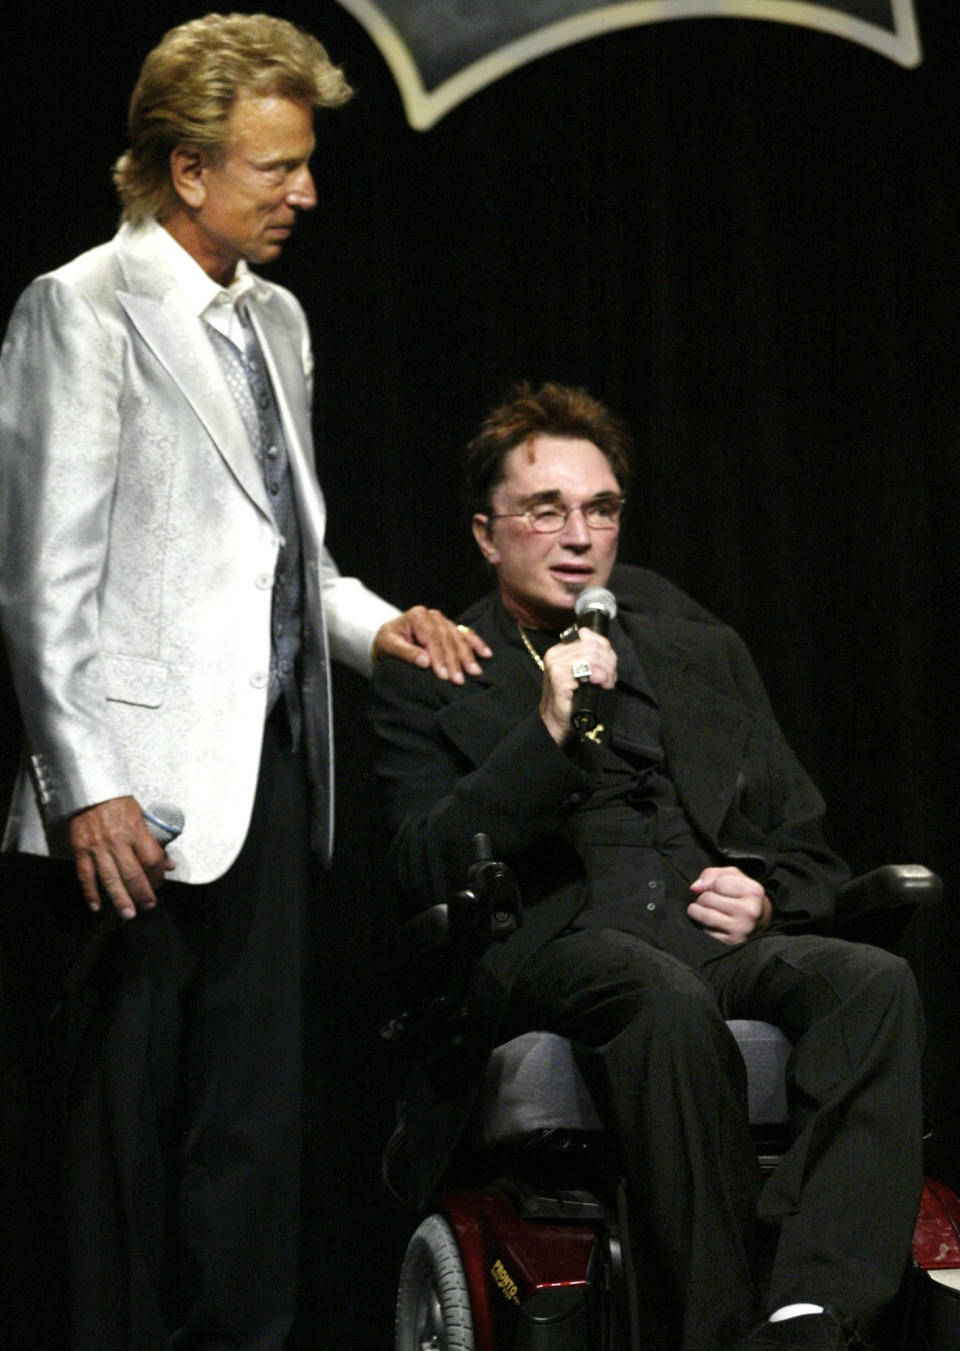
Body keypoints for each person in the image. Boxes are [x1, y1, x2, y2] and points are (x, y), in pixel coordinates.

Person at [0, 14, 490, 1350]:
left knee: (253, 1132)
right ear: (186, 169)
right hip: (131, 805)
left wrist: (387, 631)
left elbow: (298, 561)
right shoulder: (81, 307)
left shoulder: (277, 319)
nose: (306, 194)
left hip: (269, 778)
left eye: (304, 163)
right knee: (120, 1150)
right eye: (278, 167)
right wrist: (85, 787)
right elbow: (41, 584)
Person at [370, 382, 925, 1351]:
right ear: (486, 532)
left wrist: (767, 895)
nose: (579, 533)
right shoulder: (435, 667)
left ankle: (809, 1317)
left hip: (708, 937)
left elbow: (805, 847)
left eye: (601, 507)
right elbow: (425, 861)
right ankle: (711, 1328)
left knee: (873, 982)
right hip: (558, 947)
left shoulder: (700, 651)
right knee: (657, 997)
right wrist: (548, 727)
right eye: (547, 509)